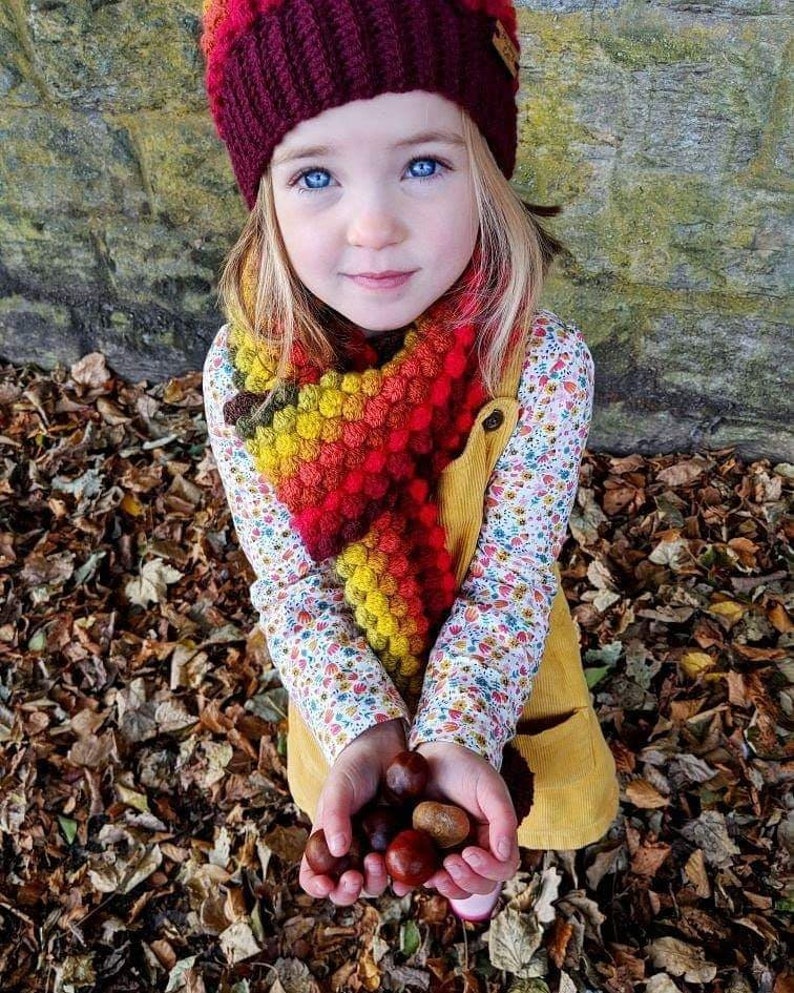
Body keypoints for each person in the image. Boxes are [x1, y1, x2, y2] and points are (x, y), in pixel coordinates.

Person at [200, 0, 618, 921]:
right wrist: (367, 730)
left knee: (486, 832)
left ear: (488, 175)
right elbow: (292, 587)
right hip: (351, 690)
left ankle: (475, 847)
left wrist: (460, 734)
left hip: (503, 672)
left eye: (423, 164)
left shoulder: (538, 364)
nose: (373, 224)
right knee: (408, 830)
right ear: (264, 193)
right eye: (316, 177)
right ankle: (442, 825)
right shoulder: (245, 379)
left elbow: (510, 579)